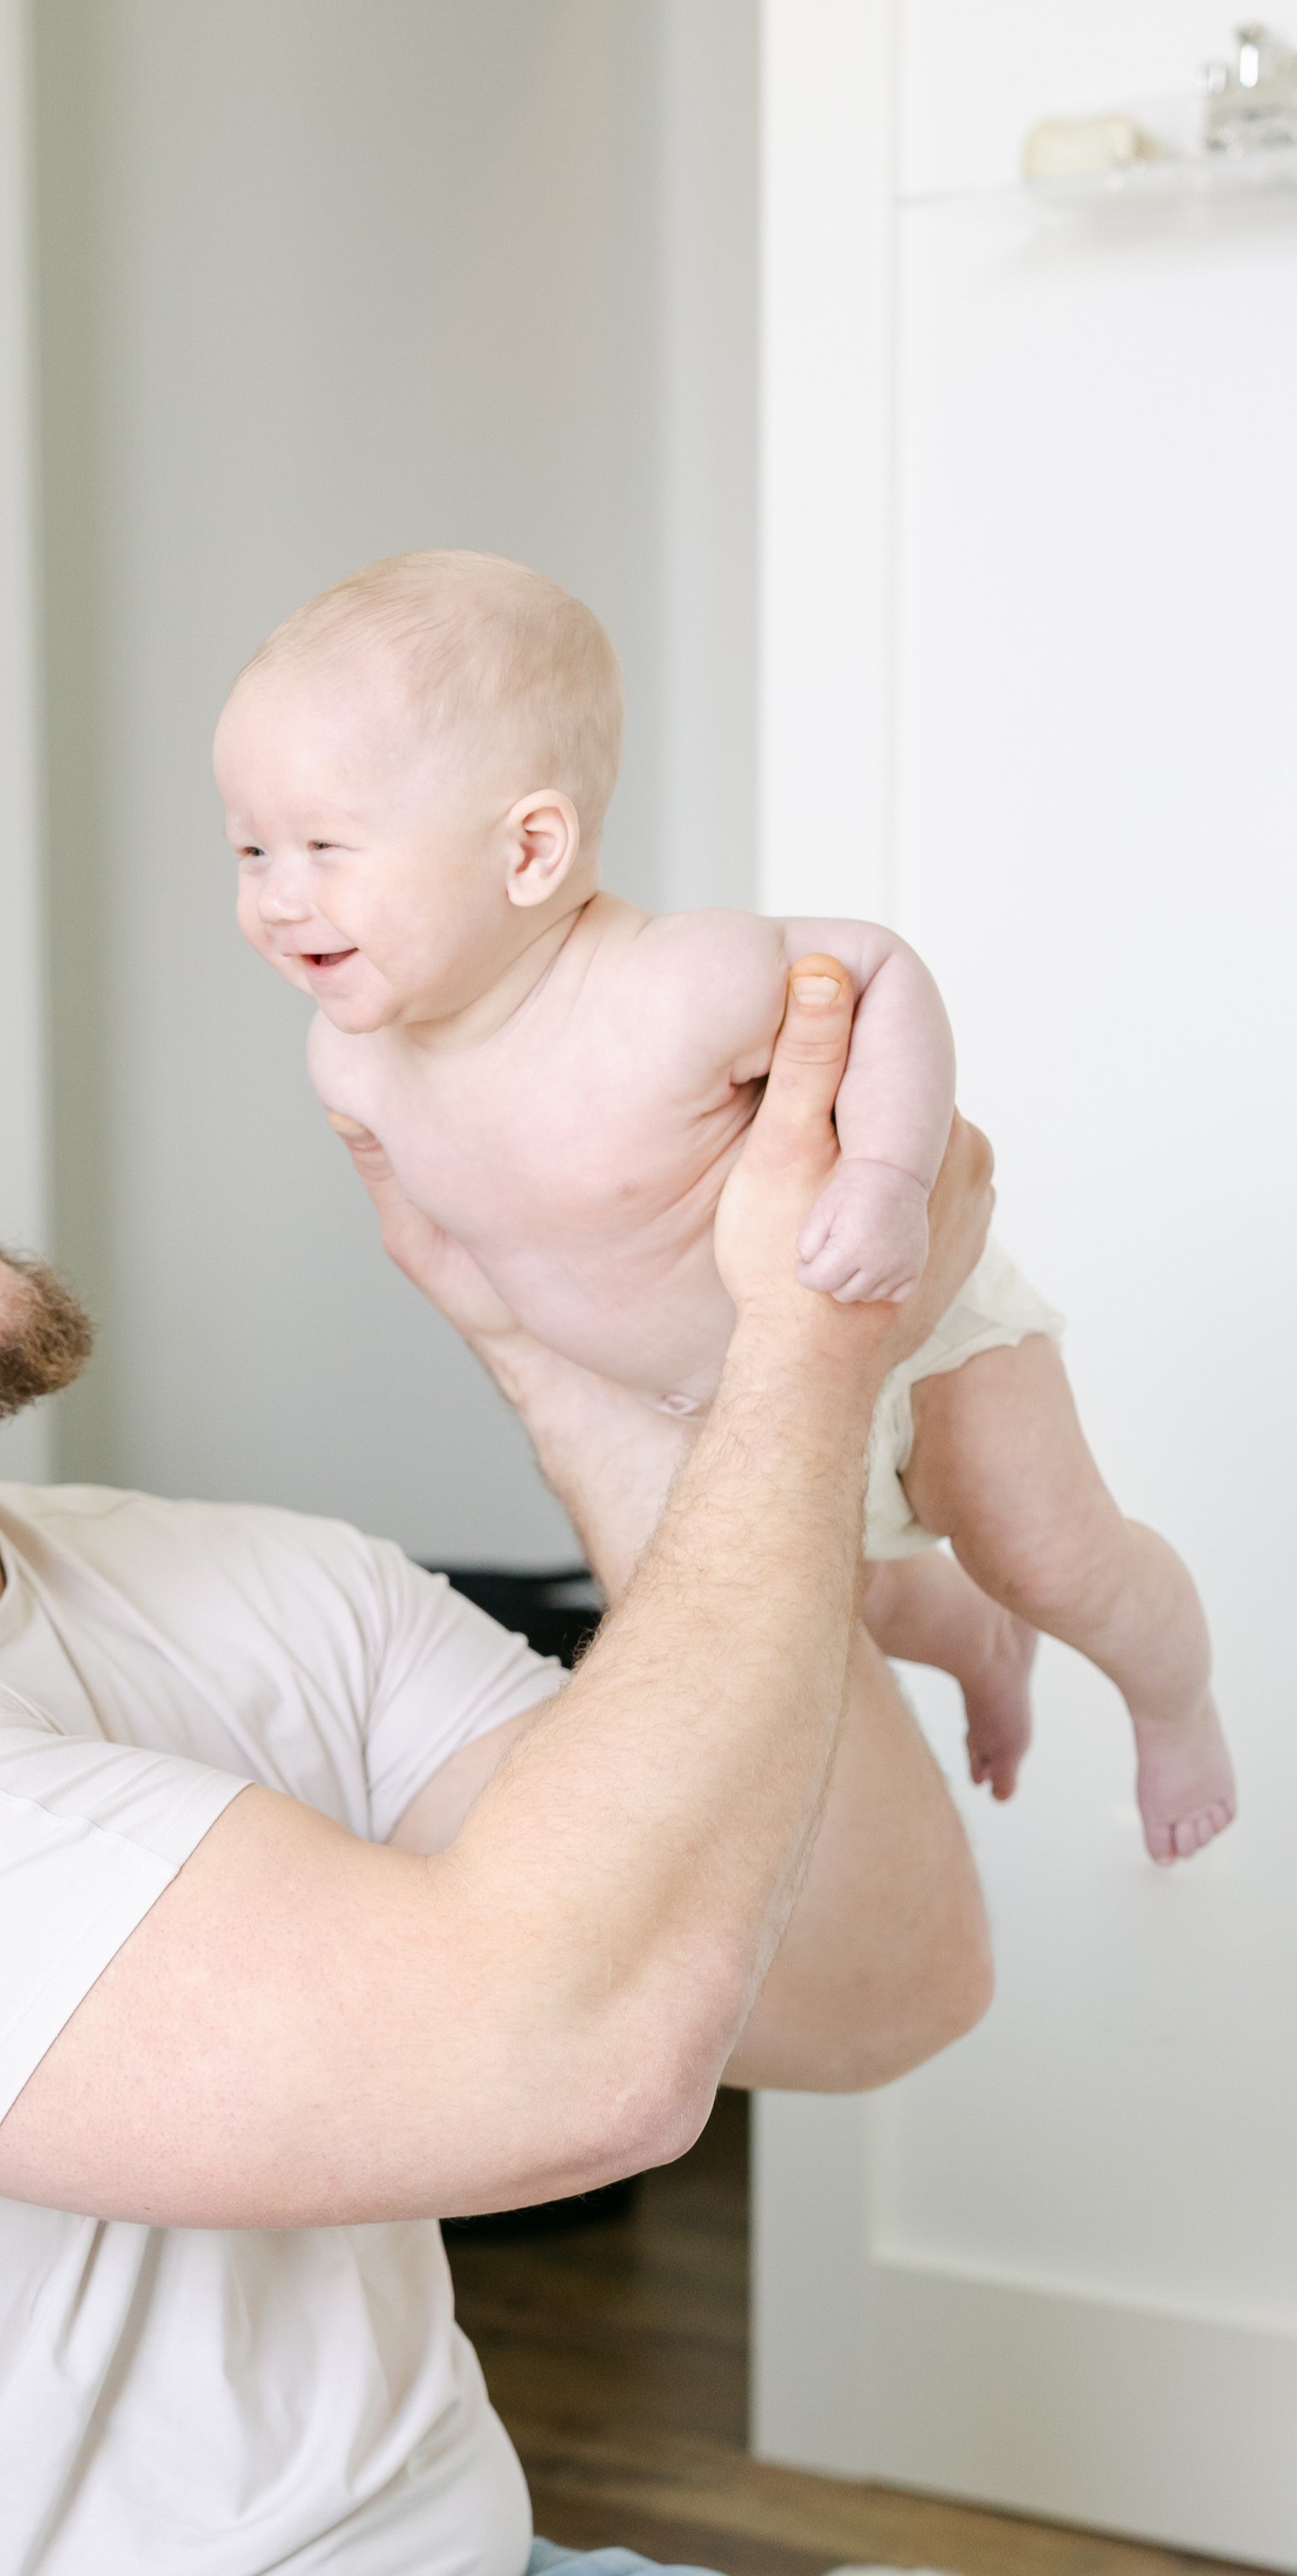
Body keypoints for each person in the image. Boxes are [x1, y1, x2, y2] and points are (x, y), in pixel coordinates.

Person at [0, 895, 995, 2576]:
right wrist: (809, 1352)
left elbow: (874, 1978)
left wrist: (573, 1368)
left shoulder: (238, 1578)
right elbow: (577, 2068)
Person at [215, 546, 1233, 1863]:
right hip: (723, 1416)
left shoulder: (669, 983)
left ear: (529, 850)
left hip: (911, 1330)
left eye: (325, 849)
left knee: (1052, 1559)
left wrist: (883, 1177)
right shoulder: (353, 1059)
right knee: (845, 1613)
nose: (277, 896)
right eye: (249, 847)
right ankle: (980, 1648)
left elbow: (880, 968)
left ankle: (1175, 1701)